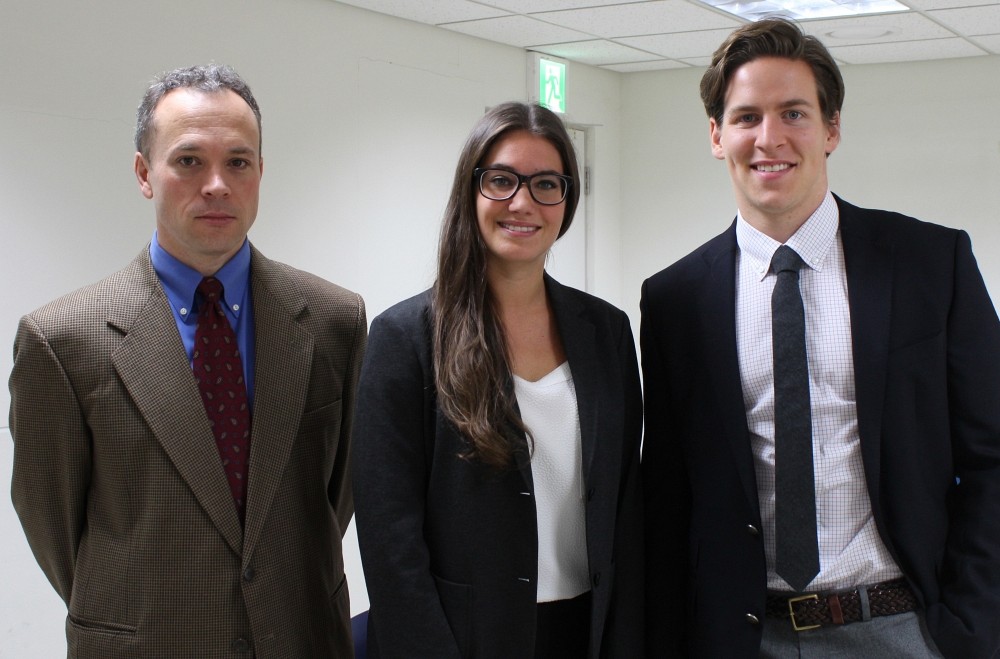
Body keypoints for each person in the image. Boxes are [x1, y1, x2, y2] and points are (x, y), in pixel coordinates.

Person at [640, 17, 1000, 658]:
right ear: (717, 136)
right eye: (746, 117)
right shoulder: (675, 300)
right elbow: (669, 495)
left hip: (905, 627)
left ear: (831, 129)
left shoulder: (929, 263)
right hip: (746, 636)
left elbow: (991, 456)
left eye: (794, 114)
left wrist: (970, 627)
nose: (769, 138)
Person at [9, 64, 366, 657]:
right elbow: (54, 526)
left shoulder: (335, 321)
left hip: (300, 636)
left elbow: (337, 495)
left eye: (238, 162)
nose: (217, 185)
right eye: (190, 160)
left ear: (260, 172)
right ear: (144, 174)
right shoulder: (63, 340)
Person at [352, 102, 644, 658]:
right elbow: (391, 541)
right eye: (502, 180)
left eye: (546, 184)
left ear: (567, 201)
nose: (523, 202)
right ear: (472, 190)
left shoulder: (606, 330)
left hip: (586, 632)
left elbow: (625, 507)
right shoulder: (405, 337)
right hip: (466, 638)